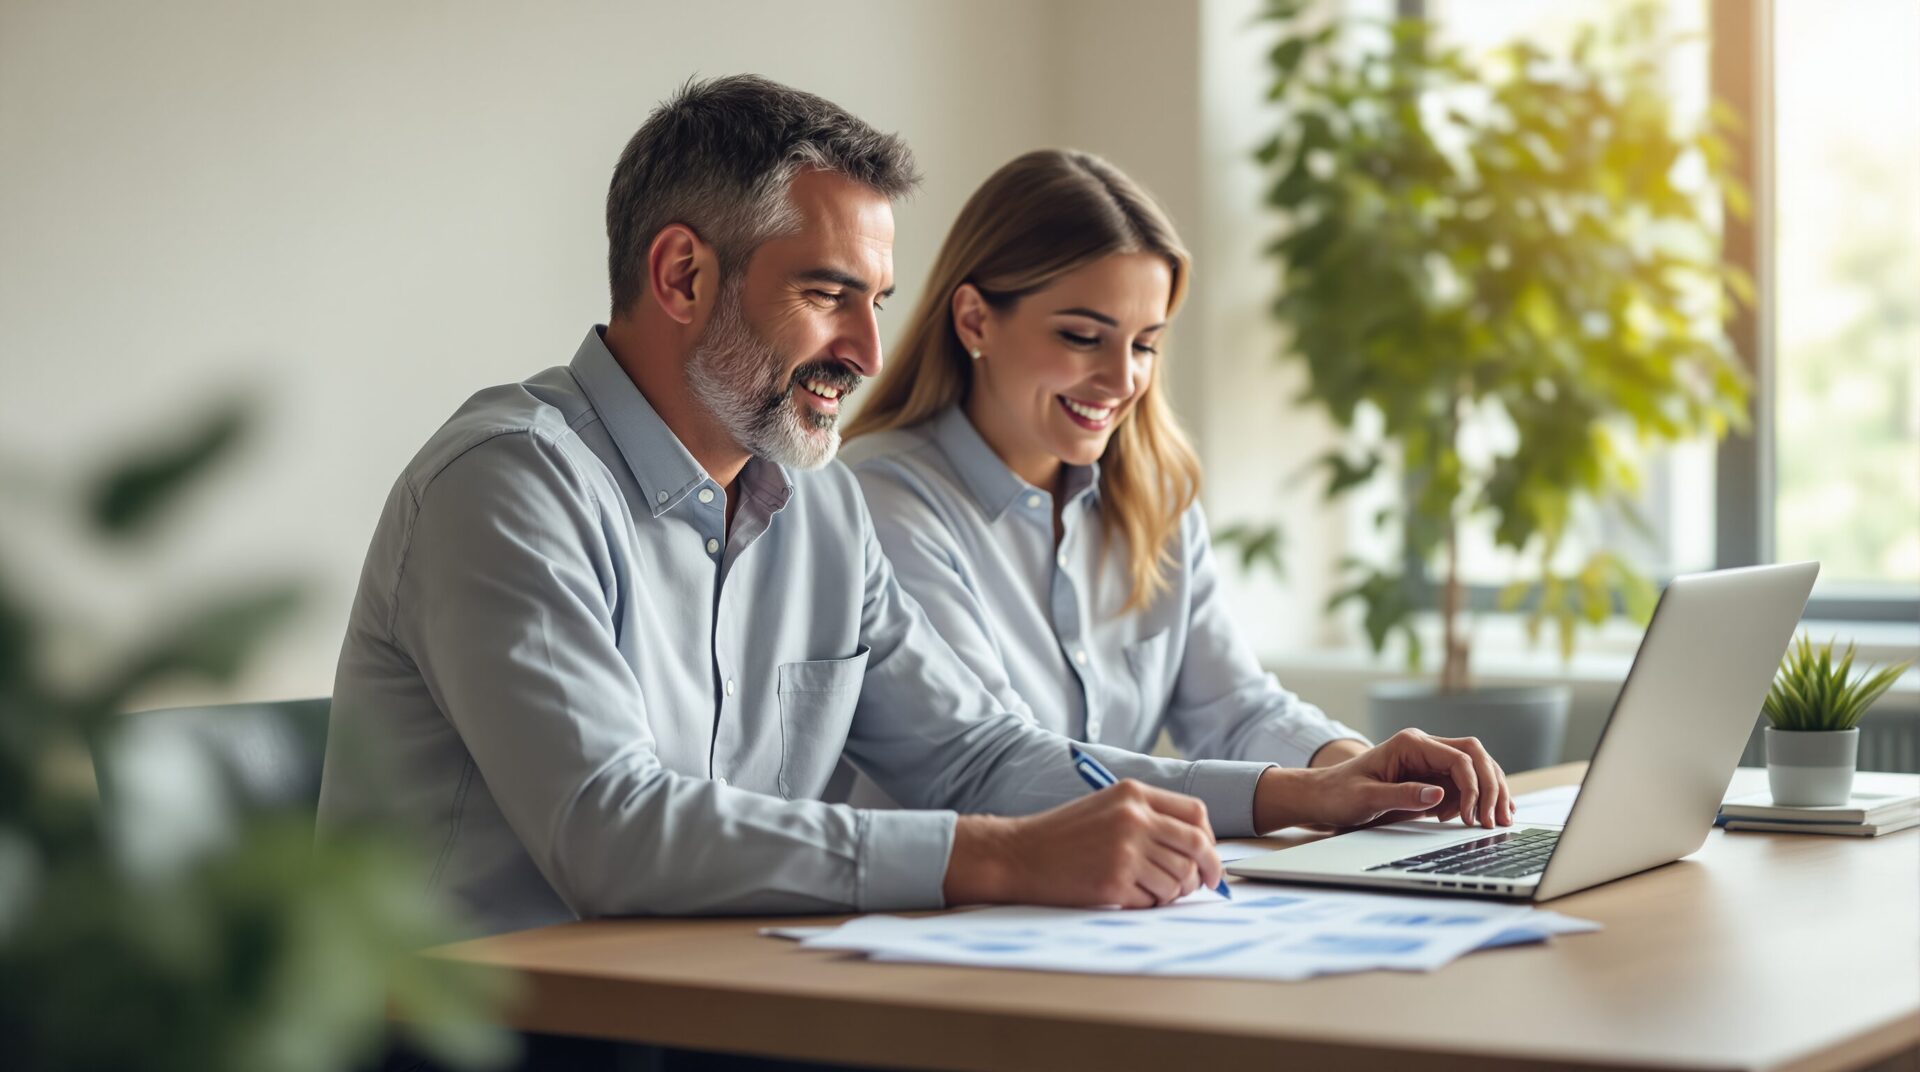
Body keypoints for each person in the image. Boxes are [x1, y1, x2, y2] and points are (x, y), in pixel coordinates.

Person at [317, 77, 1514, 938]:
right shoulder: (508, 485)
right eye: (831, 294)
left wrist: (1299, 790)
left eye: (880, 298)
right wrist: (999, 859)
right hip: (501, 1028)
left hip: (723, 1007)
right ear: (682, 275)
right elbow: (613, 833)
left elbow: (972, 752)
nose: (870, 348)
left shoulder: (815, 508)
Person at [841, 149, 1515, 811]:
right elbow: (1001, 766)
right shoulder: (881, 501)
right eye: (1082, 337)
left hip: (1104, 906)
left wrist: (1361, 771)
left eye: (1145, 344)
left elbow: (1235, 706)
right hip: (937, 913)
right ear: (975, 320)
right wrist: (1302, 795)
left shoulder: (1150, 492)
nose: (1122, 379)